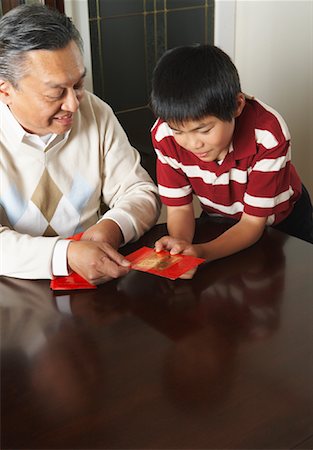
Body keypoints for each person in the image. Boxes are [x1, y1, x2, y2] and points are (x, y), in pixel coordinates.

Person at [0, 4, 160, 284]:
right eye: (55, 93)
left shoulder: (95, 112)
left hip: (96, 283)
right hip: (15, 289)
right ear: (6, 90)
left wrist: (112, 228)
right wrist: (67, 254)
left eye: (78, 85)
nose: (73, 104)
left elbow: (140, 191)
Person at [150, 44, 313, 267]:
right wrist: (180, 246)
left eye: (204, 130)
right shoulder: (165, 135)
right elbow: (179, 207)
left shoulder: (267, 135)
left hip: (282, 223)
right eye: (179, 131)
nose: (193, 144)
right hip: (221, 217)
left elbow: (251, 224)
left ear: (237, 105)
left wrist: (200, 253)